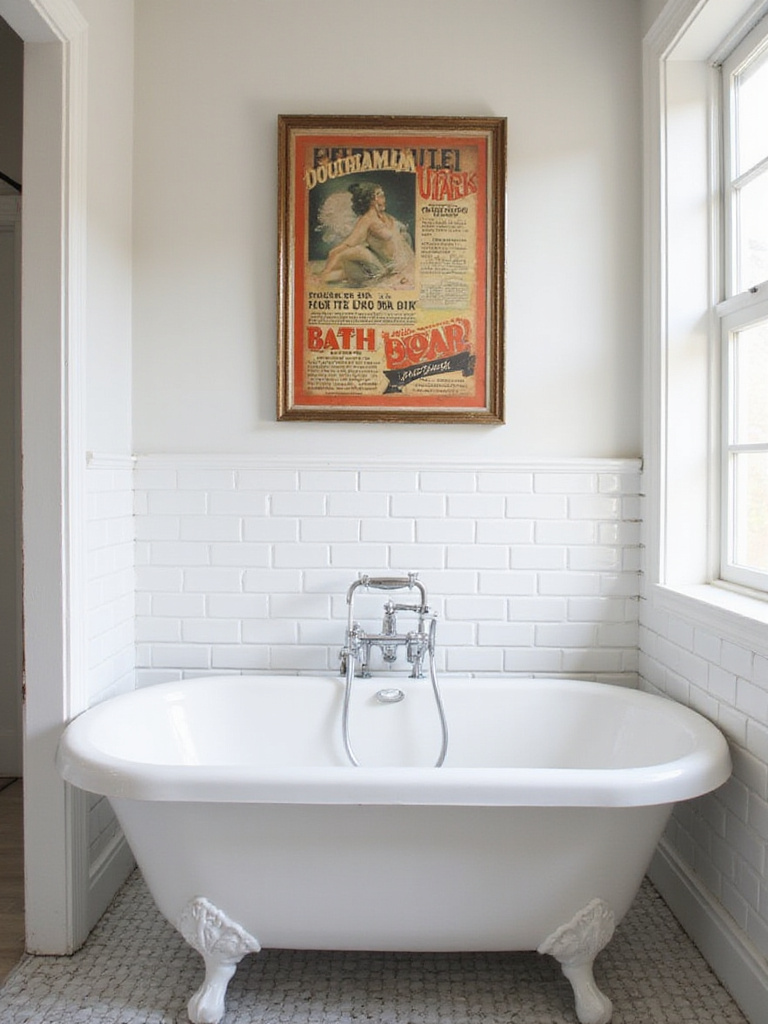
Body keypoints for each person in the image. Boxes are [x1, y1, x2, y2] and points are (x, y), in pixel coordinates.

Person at [313, 181, 415, 288]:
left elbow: (400, 235)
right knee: (353, 252)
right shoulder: (366, 220)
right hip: (385, 267)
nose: (384, 199)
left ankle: (329, 275)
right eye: (381, 196)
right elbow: (349, 243)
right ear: (372, 199)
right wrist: (332, 255)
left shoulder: (385, 216)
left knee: (345, 271)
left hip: (403, 264)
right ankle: (323, 276)